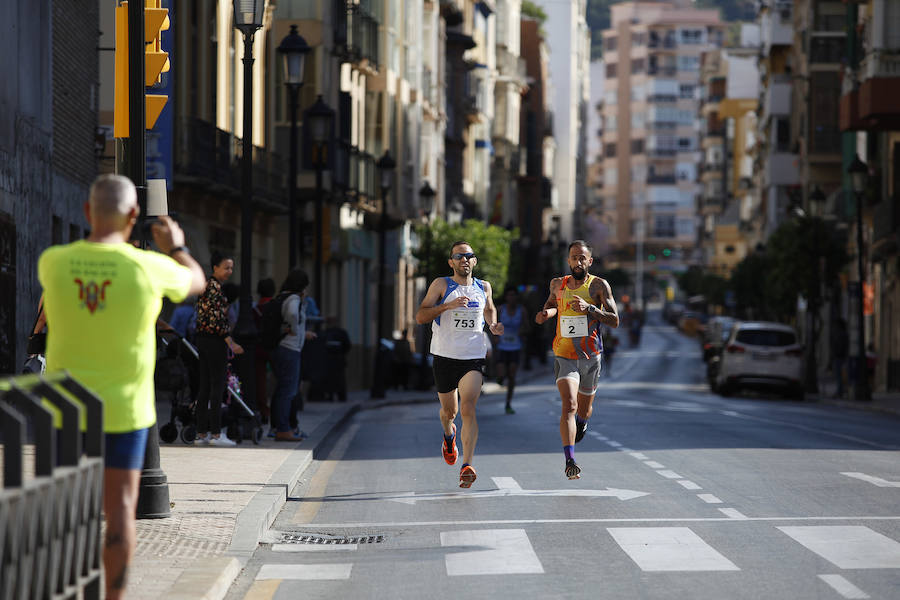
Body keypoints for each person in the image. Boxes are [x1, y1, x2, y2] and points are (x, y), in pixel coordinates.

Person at [37, 174, 206, 599]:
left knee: (68, 518)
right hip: (125, 414)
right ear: (134, 216)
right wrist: (177, 247)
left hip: (65, 412)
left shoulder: (53, 262)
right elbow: (197, 282)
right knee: (120, 517)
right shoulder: (149, 268)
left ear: (87, 212)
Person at [415, 241, 504, 488]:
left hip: (473, 357)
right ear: (451, 262)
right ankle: (448, 435)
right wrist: (447, 305)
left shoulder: (483, 286)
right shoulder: (442, 285)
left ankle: (467, 464)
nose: (464, 260)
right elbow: (421, 316)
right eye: (458, 256)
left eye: (468, 256)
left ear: (475, 261)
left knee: (468, 409)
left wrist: (494, 325)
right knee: (449, 413)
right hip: (444, 356)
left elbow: (489, 309)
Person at [534, 240, 619, 480]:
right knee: (568, 405)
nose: (578, 262)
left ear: (589, 261)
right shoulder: (557, 284)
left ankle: (582, 421)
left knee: (584, 409)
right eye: (574, 257)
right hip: (564, 354)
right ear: (568, 260)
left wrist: (589, 309)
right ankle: (570, 459)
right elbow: (552, 306)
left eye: (583, 258)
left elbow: (615, 320)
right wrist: (545, 315)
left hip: (591, 356)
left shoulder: (599, 286)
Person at [194, 251, 244, 446]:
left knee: (205, 386)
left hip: (202, 339)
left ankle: (201, 433)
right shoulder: (215, 289)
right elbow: (218, 322)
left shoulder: (206, 286)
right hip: (214, 342)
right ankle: (215, 433)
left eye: (231, 268)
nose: (229, 271)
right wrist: (231, 343)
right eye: (226, 267)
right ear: (215, 267)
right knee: (217, 386)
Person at [270, 268, 315, 441]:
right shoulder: (294, 299)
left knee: (284, 388)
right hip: (290, 349)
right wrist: (294, 330)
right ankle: (283, 428)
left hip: (285, 348)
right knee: (288, 390)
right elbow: (292, 315)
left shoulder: (285, 296)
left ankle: (280, 426)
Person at [495, 286, 527, 414]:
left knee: (512, 376)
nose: (511, 298)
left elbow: (527, 326)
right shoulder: (500, 310)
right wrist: (495, 337)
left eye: (514, 295)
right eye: (509, 295)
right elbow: (491, 324)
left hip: (515, 347)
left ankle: (508, 403)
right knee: (502, 374)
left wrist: (522, 332)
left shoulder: (522, 311)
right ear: (506, 297)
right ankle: (500, 378)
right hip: (501, 346)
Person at [252, 278, 276, 422]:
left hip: (258, 348)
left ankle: (263, 409)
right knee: (282, 380)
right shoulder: (275, 306)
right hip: (273, 346)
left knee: (260, 381)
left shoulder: (254, 309)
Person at [322, 314, 352, 401]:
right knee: (338, 379)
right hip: (337, 359)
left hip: (333, 359)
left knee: (333, 379)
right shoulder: (340, 332)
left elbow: (347, 345)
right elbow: (347, 345)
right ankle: (340, 396)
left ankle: (333, 396)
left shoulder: (327, 333)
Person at [829, 318, 849, 398]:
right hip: (840, 356)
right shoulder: (841, 334)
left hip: (839, 357)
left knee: (840, 376)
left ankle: (840, 391)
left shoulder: (841, 334)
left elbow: (839, 346)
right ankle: (840, 390)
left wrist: (836, 353)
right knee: (839, 376)